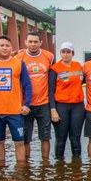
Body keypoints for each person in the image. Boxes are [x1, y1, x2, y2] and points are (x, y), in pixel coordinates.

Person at [0, 35, 32, 166]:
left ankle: (22, 168)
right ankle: (0, 169)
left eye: (7, 45)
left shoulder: (18, 63)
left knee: (19, 141)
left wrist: (26, 104)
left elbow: (27, 85)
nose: (5, 48)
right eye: (2, 45)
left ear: (11, 48)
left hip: (15, 111)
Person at [16, 31, 55, 160]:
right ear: (25, 42)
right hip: (26, 105)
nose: (33, 44)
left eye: (35, 42)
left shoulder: (49, 56)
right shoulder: (19, 57)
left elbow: (53, 79)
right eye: (30, 42)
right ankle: (26, 165)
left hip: (43, 103)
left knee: (45, 136)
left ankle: (45, 164)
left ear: (41, 43)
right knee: (26, 137)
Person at [50, 42, 86, 159]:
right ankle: (59, 166)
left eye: (68, 52)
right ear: (60, 53)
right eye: (63, 52)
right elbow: (50, 91)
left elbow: (85, 80)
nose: (65, 55)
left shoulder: (78, 66)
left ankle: (76, 166)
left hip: (77, 106)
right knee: (61, 138)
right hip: (61, 106)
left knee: (75, 138)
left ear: (72, 53)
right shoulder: (55, 69)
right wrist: (53, 110)